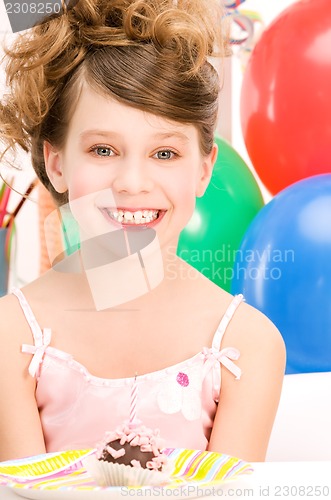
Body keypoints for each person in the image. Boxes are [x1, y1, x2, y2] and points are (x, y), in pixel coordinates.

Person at [0, 0, 285, 462]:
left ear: (203, 170)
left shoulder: (245, 345)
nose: (132, 183)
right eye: (103, 149)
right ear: (57, 164)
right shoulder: (10, 337)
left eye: (165, 154)